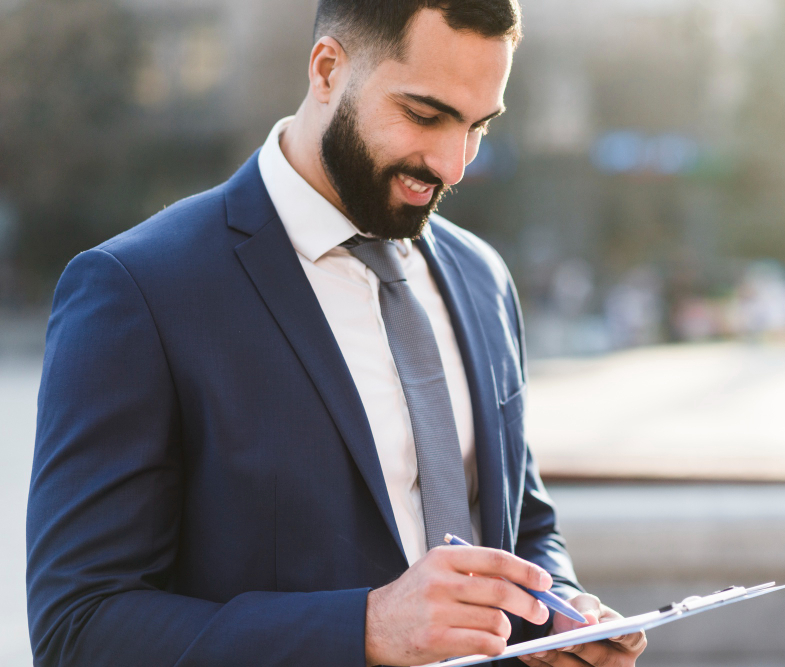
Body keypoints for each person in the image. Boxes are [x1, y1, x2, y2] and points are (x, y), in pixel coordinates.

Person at [25, 1, 648, 666]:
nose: (454, 164)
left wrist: (562, 610)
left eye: (478, 127)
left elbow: (523, 519)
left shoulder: (483, 277)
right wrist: (366, 627)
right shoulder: (138, 290)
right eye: (425, 114)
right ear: (327, 70)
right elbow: (79, 628)